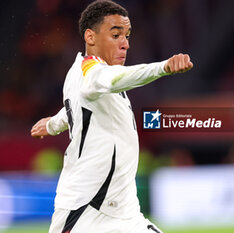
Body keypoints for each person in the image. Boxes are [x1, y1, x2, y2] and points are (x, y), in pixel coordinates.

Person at [30, 1, 193, 232]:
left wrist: (54, 124)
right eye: (116, 35)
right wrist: (163, 67)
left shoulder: (81, 73)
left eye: (127, 36)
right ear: (90, 37)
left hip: (125, 212)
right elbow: (107, 80)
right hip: (87, 211)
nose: (125, 44)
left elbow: (76, 108)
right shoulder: (93, 73)